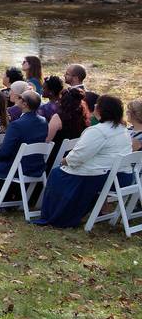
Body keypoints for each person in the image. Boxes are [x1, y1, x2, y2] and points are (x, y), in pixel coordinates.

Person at [34, 96, 132, 228]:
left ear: (101, 110)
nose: (95, 107)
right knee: (63, 173)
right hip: (123, 176)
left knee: (57, 174)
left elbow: (79, 155)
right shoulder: (122, 129)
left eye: (97, 105)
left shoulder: (98, 131)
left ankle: (57, 215)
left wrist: (65, 161)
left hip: (104, 177)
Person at [0, 91, 48, 208]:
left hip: (18, 166)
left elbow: (5, 152)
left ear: (24, 104)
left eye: (20, 98)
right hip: (37, 165)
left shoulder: (17, 124)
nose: (17, 99)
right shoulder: (43, 121)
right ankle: (6, 199)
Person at [45, 87, 91, 171]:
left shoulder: (58, 117)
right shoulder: (84, 118)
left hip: (54, 160)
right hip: (73, 158)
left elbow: (47, 140)